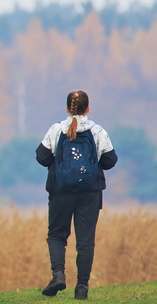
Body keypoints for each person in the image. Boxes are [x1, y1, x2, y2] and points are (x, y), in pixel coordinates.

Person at [36, 90, 117, 300]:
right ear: (88, 108)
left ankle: (58, 275)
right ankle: (82, 286)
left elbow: (42, 157)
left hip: (60, 191)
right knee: (85, 241)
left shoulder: (56, 130)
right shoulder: (98, 131)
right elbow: (110, 161)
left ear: (67, 108)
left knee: (56, 235)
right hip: (89, 193)